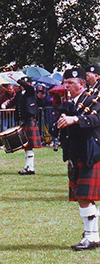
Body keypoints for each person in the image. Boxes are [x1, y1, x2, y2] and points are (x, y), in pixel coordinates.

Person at [55, 68, 100, 250]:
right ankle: (93, 234)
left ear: (81, 84)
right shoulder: (68, 104)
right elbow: (58, 125)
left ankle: (91, 237)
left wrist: (76, 119)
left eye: (70, 83)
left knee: (84, 196)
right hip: (76, 155)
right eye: (65, 83)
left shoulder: (92, 100)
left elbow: (96, 119)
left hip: (92, 153)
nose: (67, 86)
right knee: (84, 197)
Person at [3, 75, 41, 174]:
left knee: (29, 145)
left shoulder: (30, 92)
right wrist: (6, 104)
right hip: (22, 121)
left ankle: (30, 167)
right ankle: (28, 167)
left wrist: (17, 79)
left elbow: (28, 87)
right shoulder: (19, 94)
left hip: (30, 120)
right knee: (26, 145)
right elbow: (13, 102)